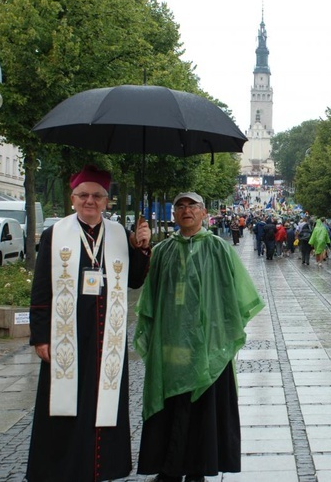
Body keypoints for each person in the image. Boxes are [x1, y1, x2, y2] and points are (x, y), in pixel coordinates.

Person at [27, 165, 152, 481]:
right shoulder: (55, 234)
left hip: (106, 338)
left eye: (97, 196)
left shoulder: (120, 234)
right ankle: (62, 469)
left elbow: (135, 281)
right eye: (84, 195)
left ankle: (103, 468)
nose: (90, 201)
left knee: (103, 405)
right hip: (67, 335)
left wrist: (142, 248)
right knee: (64, 406)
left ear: (107, 201)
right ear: (73, 198)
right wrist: (40, 337)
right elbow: (41, 291)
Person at [134, 192, 265, 481]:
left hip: (206, 346)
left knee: (203, 408)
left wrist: (220, 328)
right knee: (173, 406)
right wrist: (142, 248)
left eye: (192, 206)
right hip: (171, 345)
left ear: (204, 212)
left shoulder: (218, 249)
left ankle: (198, 467)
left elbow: (235, 296)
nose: (186, 211)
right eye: (180, 206)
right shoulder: (164, 250)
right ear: (174, 214)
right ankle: (169, 467)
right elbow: (149, 297)